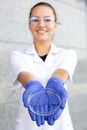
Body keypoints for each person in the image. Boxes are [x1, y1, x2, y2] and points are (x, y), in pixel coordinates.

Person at [10, 2, 77, 130]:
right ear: (29, 25)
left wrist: (56, 81)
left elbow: (62, 71)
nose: (41, 24)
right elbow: (24, 74)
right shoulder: (17, 55)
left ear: (55, 25)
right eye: (35, 19)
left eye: (47, 19)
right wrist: (32, 84)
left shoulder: (68, 54)